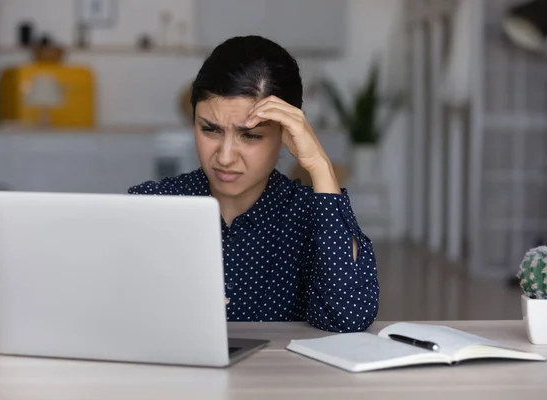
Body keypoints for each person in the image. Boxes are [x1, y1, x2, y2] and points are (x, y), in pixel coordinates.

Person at [128, 35, 379, 333]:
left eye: (250, 136)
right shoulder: (149, 206)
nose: (224, 157)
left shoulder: (312, 214)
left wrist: (319, 165)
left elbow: (348, 318)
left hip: (282, 378)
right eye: (210, 130)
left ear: (287, 134)